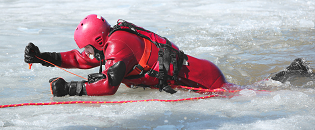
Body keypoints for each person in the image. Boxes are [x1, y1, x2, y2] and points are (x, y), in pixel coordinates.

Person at [24, 14, 312, 97]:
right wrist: (43, 57)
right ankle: (293, 70)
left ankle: (293, 73)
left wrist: (71, 88)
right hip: (198, 71)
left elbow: (109, 86)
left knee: (252, 93)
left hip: (202, 78)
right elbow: (79, 59)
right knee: (249, 89)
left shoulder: (118, 45)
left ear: (98, 41)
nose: (87, 52)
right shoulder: (110, 42)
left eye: (88, 46)